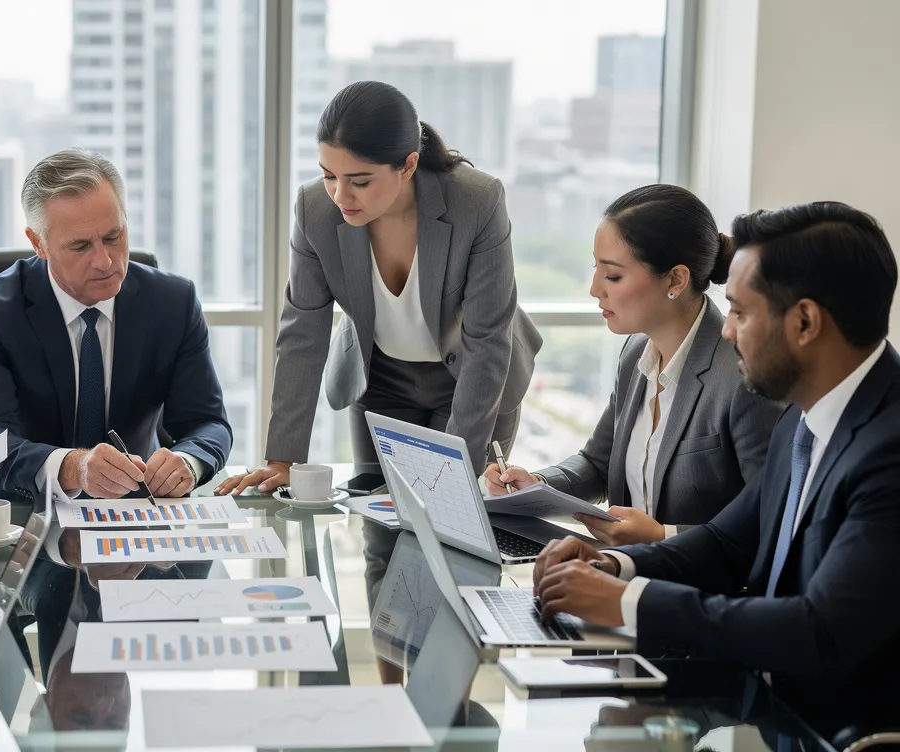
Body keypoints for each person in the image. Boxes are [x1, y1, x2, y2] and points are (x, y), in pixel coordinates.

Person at [532, 201, 900, 731]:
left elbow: (819, 630)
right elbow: (727, 544)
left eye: (742, 313)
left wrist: (630, 601)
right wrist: (613, 566)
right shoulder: (806, 418)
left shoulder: (891, 450)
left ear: (804, 322)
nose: (727, 332)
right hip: (762, 711)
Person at [216, 80, 541, 615]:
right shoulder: (315, 210)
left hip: (473, 379)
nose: (341, 196)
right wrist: (283, 459)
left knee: (454, 540)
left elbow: (487, 343)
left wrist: (454, 470)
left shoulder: (477, 200)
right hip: (382, 381)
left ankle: (443, 691)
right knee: (382, 544)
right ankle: (392, 691)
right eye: (329, 177)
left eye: (360, 181)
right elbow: (302, 332)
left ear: (409, 165)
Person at [483, 185, 783, 546]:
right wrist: (537, 485)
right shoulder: (636, 352)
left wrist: (664, 536)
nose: (595, 289)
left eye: (612, 276)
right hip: (625, 575)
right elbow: (597, 464)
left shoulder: (742, 377)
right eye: (597, 269)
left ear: (675, 280)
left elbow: (774, 522)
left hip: (698, 591)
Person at [0, 149, 232, 503]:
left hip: (138, 514)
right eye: (81, 246)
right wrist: (73, 467)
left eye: (113, 236)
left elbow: (208, 422)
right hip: (18, 516)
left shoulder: (172, 302)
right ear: (38, 243)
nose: (105, 261)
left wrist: (188, 462)